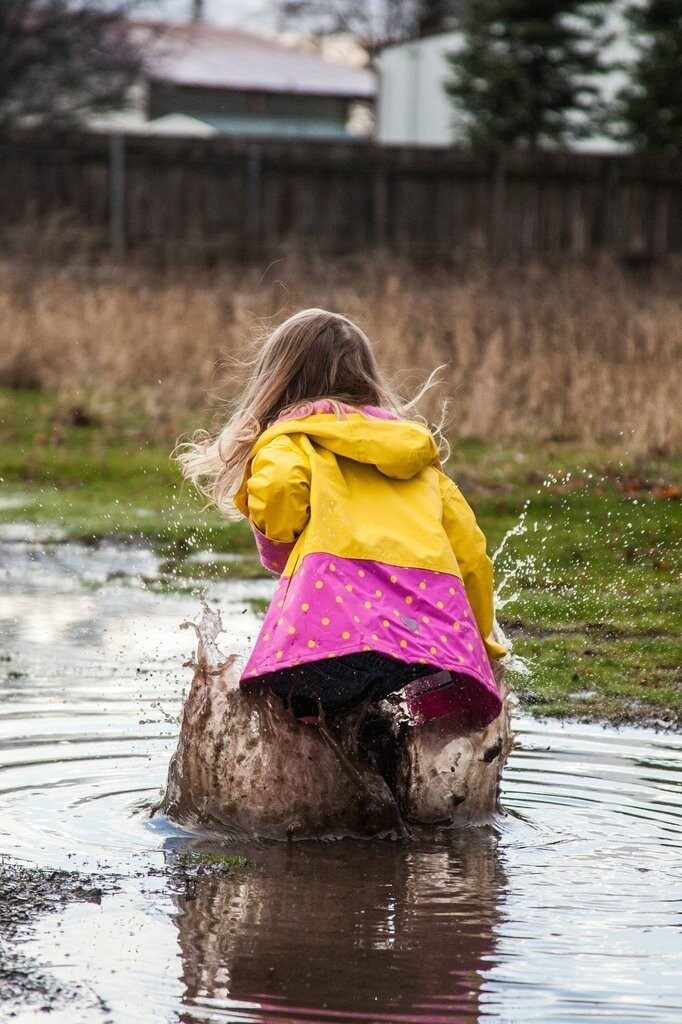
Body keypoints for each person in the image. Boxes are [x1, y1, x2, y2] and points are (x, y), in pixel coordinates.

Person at [178, 308, 506, 730]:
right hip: (423, 638)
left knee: (294, 720)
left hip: (327, 630)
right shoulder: (419, 460)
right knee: (382, 719)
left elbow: (278, 490)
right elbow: (473, 557)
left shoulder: (291, 439)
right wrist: (481, 642)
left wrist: (282, 538)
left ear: (279, 382)